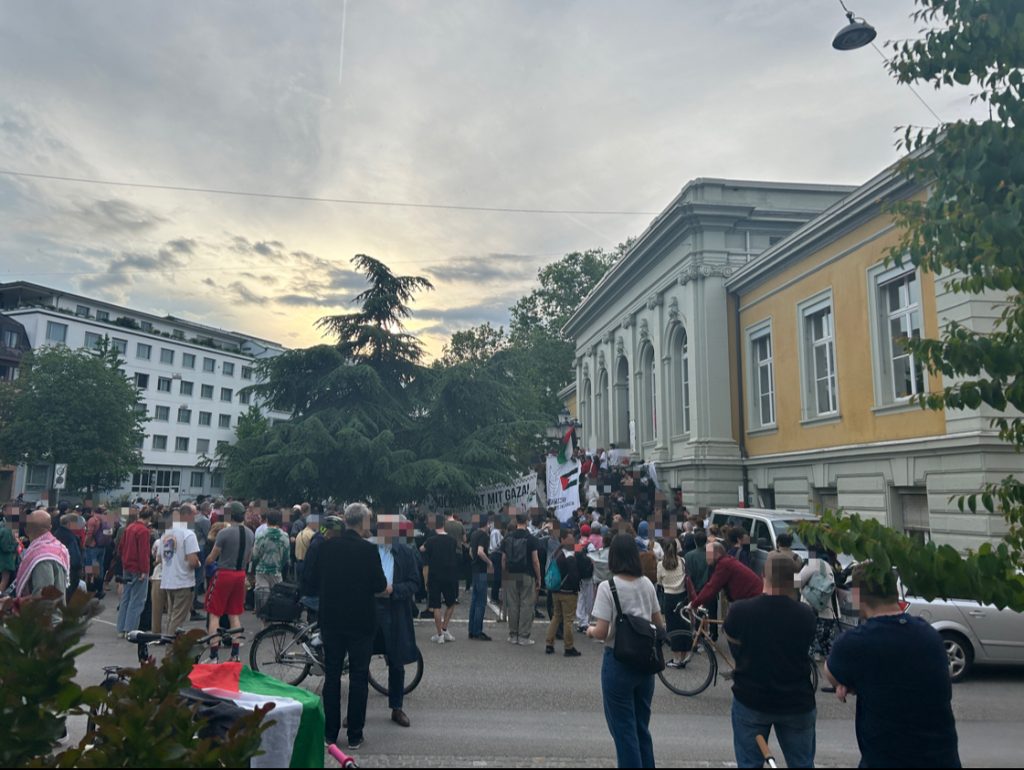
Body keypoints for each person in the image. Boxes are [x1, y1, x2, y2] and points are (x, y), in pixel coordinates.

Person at [826, 565, 961, 768]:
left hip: (887, 760)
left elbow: (830, 672)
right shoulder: (929, 635)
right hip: (941, 758)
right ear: (894, 591)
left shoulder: (855, 642)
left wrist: (849, 683)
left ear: (857, 596)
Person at [725, 552, 818, 768]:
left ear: (762, 576)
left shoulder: (740, 611)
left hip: (752, 698)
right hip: (797, 701)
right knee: (802, 763)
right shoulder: (806, 615)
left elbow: (734, 648)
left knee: (749, 763)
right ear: (794, 580)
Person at [587, 535, 664, 769]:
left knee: (623, 731)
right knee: (641, 727)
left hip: (618, 661)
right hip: (645, 663)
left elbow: (602, 631)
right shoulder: (646, 584)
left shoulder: (607, 587)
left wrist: (589, 631)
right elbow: (659, 625)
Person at [318, 502, 387, 751]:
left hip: (332, 620)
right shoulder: (368, 551)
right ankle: (355, 734)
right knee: (359, 677)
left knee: (332, 676)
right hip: (361, 622)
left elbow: (312, 581)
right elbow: (379, 585)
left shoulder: (326, 548)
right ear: (363, 523)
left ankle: (330, 732)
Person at [373, 514, 421, 728]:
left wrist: (394, 590)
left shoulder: (405, 553)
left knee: (396, 660)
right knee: (360, 659)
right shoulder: (369, 551)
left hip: (395, 608)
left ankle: (397, 707)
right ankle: (356, 711)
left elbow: (414, 583)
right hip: (370, 609)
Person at [204, 501, 254, 661]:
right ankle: (235, 654)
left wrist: (207, 561)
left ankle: (213, 655)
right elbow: (249, 557)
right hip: (240, 574)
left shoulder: (224, 533)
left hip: (224, 573)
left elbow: (212, 557)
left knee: (215, 614)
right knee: (234, 614)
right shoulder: (250, 533)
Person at [158, 504, 201, 633]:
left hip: (168, 579)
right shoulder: (189, 534)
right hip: (183, 580)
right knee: (178, 618)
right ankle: (171, 647)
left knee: (171, 615)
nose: (195, 519)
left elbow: (160, 559)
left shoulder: (165, 535)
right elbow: (193, 561)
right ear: (186, 516)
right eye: (193, 515)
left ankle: (168, 640)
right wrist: (198, 563)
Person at [501, 510, 542, 646]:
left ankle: (513, 634)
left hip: (512, 574)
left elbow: (504, 558)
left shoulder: (507, 538)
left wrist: (505, 572)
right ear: (526, 521)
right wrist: (539, 577)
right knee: (526, 604)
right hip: (527, 574)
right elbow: (535, 561)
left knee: (513, 604)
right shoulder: (531, 539)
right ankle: (524, 636)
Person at [688, 541, 763, 614]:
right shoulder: (726, 561)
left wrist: (694, 604)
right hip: (752, 598)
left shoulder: (724, 564)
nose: (707, 556)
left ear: (717, 554)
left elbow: (712, 587)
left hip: (751, 599)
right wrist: (701, 601)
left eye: (709, 553)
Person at [12, 510, 69, 599]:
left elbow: (44, 595)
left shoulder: (41, 557)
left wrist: (14, 602)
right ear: (50, 527)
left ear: (26, 530)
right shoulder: (58, 548)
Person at [421, 514, 459, 644]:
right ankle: (444, 627)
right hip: (449, 575)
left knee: (436, 605)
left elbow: (422, 549)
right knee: (451, 602)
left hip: (434, 575)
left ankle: (439, 634)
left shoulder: (431, 540)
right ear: (444, 524)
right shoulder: (452, 540)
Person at [545, 529, 583, 657]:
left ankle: (549, 644)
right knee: (568, 620)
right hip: (568, 592)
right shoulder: (569, 556)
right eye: (570, 538)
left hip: (556, 589)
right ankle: (568, 647)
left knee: (556, 617)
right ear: (564, 539)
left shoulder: (556, 553)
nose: (573, 541)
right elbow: (574, 575)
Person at [299, 514, 343, 620]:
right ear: (329, 532)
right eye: (337, 533)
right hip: (315, 593)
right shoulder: (320, 545)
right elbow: (312, 571)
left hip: (313, 591)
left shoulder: (318, 541)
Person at [116, 508, 152, 636]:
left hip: (127, 566)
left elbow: (121, 546)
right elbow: (144, 552)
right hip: (138, 567)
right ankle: (130, 629)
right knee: (137, 600)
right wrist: (144, 570)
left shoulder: (129, 527)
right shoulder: (143, 531)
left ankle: (120, 628)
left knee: (126, 597)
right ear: (149, 518)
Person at [252, 509, 290, 617]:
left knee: (262, 596)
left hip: (262, 570)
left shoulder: (261, 535)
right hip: (276, 570)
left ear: (267, 520)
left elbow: (255, 555)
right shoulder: (285, 536)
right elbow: (286, 556)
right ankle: (274, 619)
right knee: (276, 596)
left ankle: (264, 622)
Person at [658, 538, 689, 667]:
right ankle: (684, 655)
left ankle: (676, 659)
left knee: (673, 628)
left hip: (668, 598)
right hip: (682, 597)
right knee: (684, 626)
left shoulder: (660, 564)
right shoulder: (682, 561)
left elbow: (659, 581)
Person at [468, 514, 493, 641]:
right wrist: (489, 562)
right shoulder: (484, 536)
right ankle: (478, 630)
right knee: (481, 602)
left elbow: (471, 552)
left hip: (474, 569)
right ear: (486, 524)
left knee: (474, 600)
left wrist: (475, 561)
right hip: (481, 571)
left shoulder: (473, 534)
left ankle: (471, 629)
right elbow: (480, 551)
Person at [488, 513, 504, 604]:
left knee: (498, 576)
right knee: (497, 576)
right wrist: (503, 543)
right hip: (496, 554)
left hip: (496, 554)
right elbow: (495, 545)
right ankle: (494, 596)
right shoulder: (495, 532)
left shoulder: (496, 531)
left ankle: (495, 596)